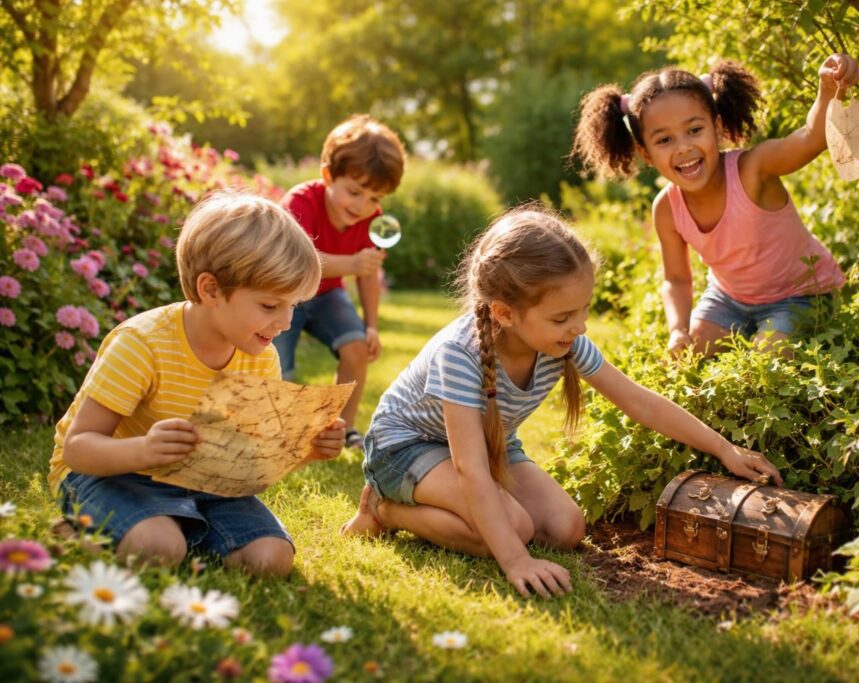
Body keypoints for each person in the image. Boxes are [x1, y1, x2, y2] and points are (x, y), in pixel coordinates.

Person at [341, 207, 781, 598]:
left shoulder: (563, 343)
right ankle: (386, 508)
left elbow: (639, 402)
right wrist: (516, 561)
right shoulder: (459, 355)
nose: (580, 327)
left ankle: (409, 509)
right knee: (510, 530)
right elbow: (469, 469)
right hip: (406, 448)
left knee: (565, 528)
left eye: (583, 310)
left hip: (488, 445)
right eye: (563, 317)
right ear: (504, 313)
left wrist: (725, 449)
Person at [50, 192, 346, 576]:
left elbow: (246, 464)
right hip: (112, 472)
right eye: (271, 306)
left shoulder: (260, 355)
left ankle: (175, 524)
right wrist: (145, 451)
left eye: (294, 306)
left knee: (270, 559)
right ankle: (86, 530)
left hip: (202, 482)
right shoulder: (143, 344)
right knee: (159, 548)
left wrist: (305, 450)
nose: (286, 323)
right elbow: (78, 450)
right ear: (210, 290)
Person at [572, 55, 859, 356]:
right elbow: (677, 279)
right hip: (729, 300)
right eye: (664, 140)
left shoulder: (753, 169)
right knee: (689, 354)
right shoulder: (667, 208)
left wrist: (828, 90)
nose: (683, 147)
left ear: (718, 128)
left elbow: (810, 139)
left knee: (770, 355)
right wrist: (677, 330)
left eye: (695, 130)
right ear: (645, 153)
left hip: (801, 296)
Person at [274, 114, 407, 450]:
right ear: (328, 175)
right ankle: (276, 428)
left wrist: (371, 325)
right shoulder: (300, 202)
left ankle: (343, 427)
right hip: (282, 295)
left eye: (375, 198)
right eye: (355, 192)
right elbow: (295, 263)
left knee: (356, 346)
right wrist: (352, 263)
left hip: (327, 297)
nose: (363, 206)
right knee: (276, 367)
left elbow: (368, 274)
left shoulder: (372, 222)